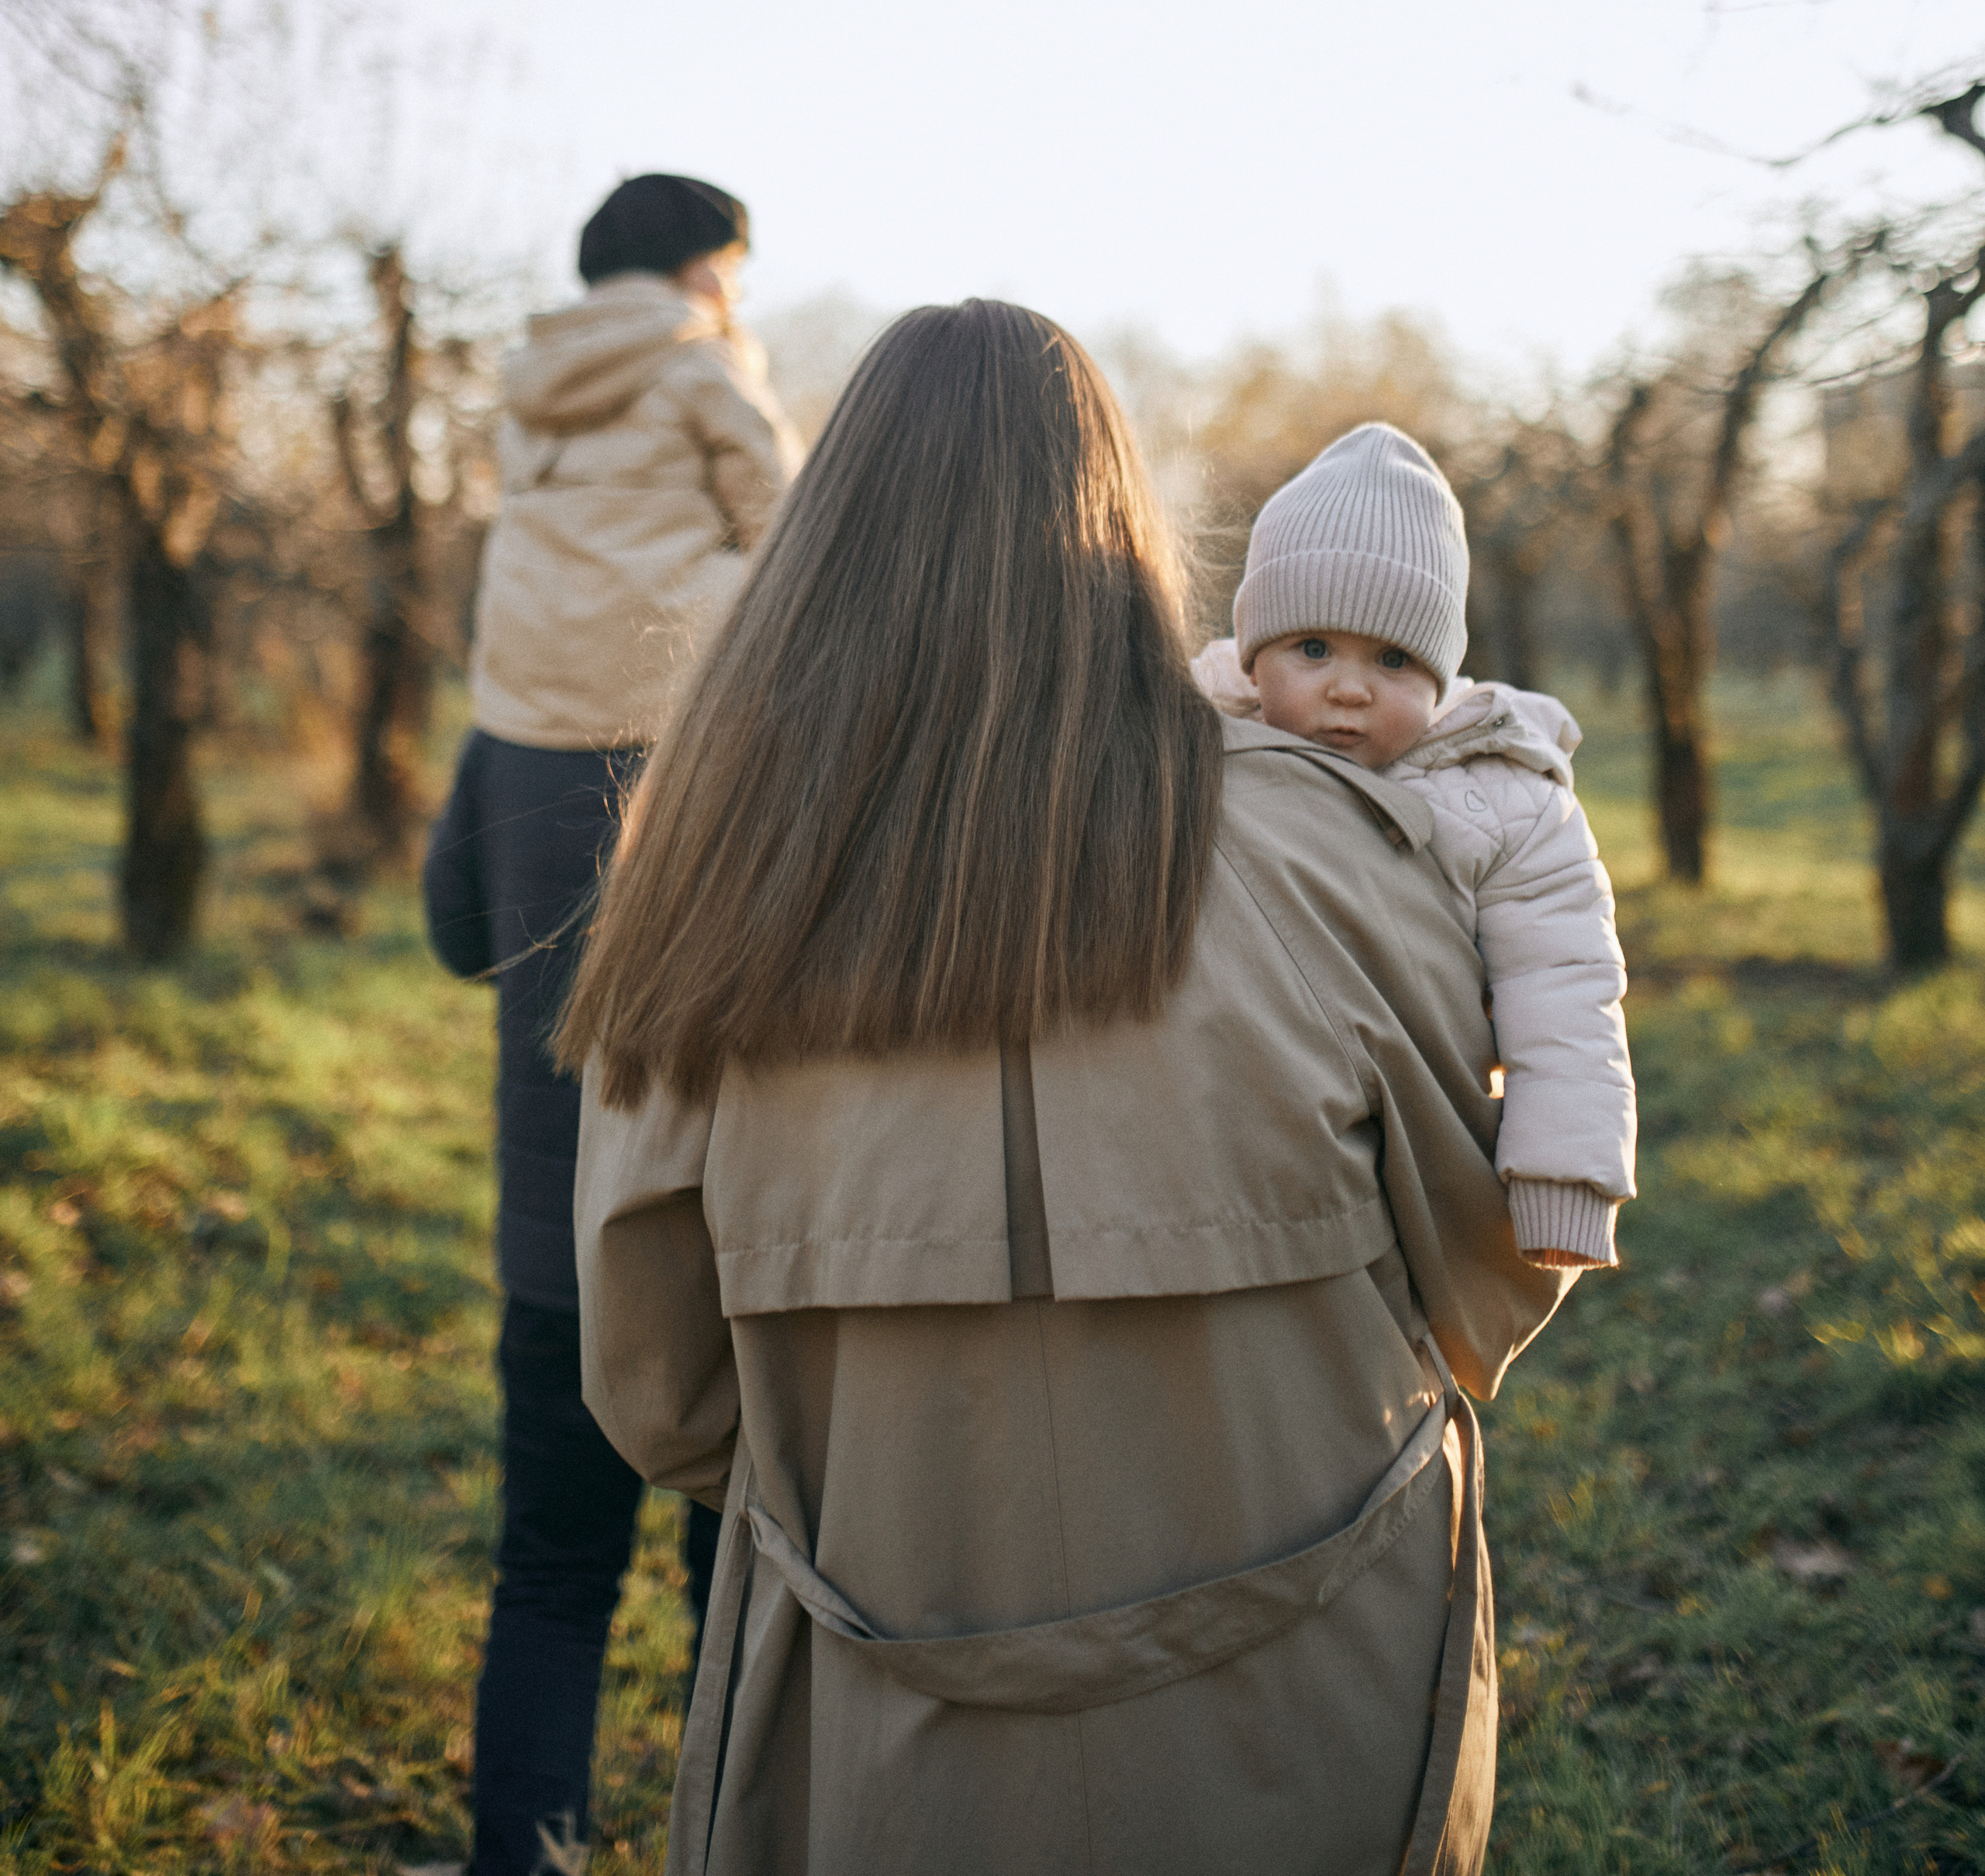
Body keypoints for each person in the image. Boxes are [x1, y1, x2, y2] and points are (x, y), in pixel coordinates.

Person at [558, 299, 1576, 1876]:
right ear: (1124, 539)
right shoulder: (1329, 846)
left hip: (884, 1705)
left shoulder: (705, 877)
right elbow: (1485, 1272)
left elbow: (659, 1391)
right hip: (1307, 1706)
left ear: (818, 548)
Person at [423, 171, 799, 1876]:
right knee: (737, 1568)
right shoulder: (713, 375)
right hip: (719, 1229)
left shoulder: (523, 471)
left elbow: (452, 926)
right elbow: (799, 551)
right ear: (704, 270)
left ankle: (526, 1848)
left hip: (542, 1236)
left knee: (549, 1569)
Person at [1192, 420, 1637, 1270]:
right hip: (1238, 1141)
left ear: (1441, 677)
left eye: (1393, 659)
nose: (1349, 688)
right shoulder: (1198, 749)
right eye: (1312, 649)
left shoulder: (1506, 798)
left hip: (1426, 1126)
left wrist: (1564, 1183)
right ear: (1253, 658)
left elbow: (1565, 988)